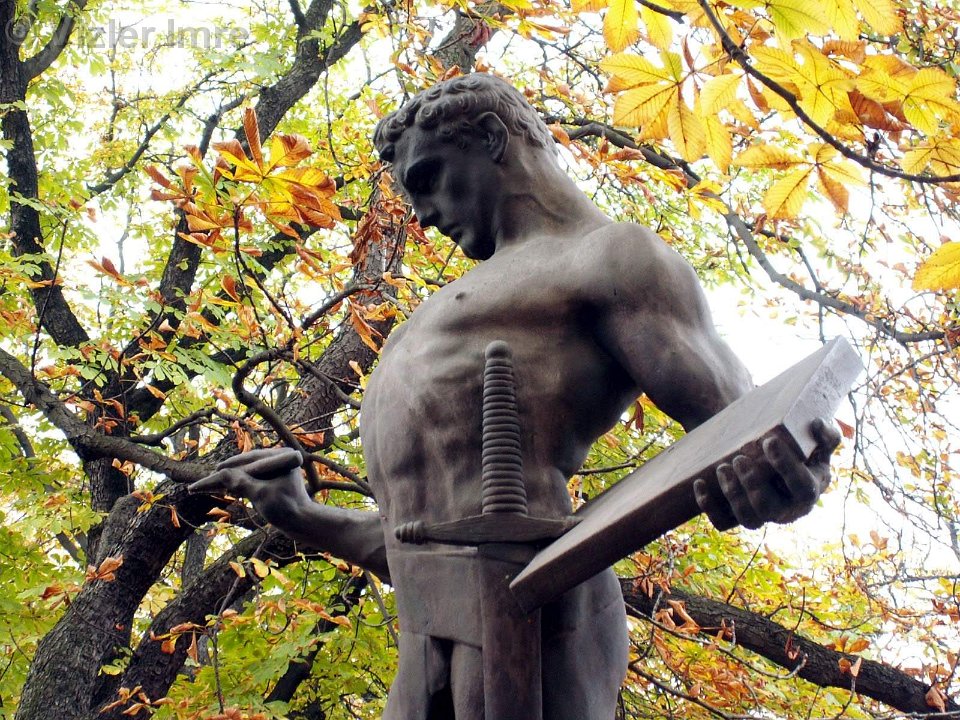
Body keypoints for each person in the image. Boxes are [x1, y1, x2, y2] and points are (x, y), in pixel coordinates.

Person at [191, 73, 840, 720]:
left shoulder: (608, 257)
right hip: (426, 659)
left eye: (427, 178)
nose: (423, 215)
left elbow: (750, 428)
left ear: (491, 137)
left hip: (535, 634)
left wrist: (790, 470)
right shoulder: (452, 305)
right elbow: (424, 547)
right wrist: (302, 515)